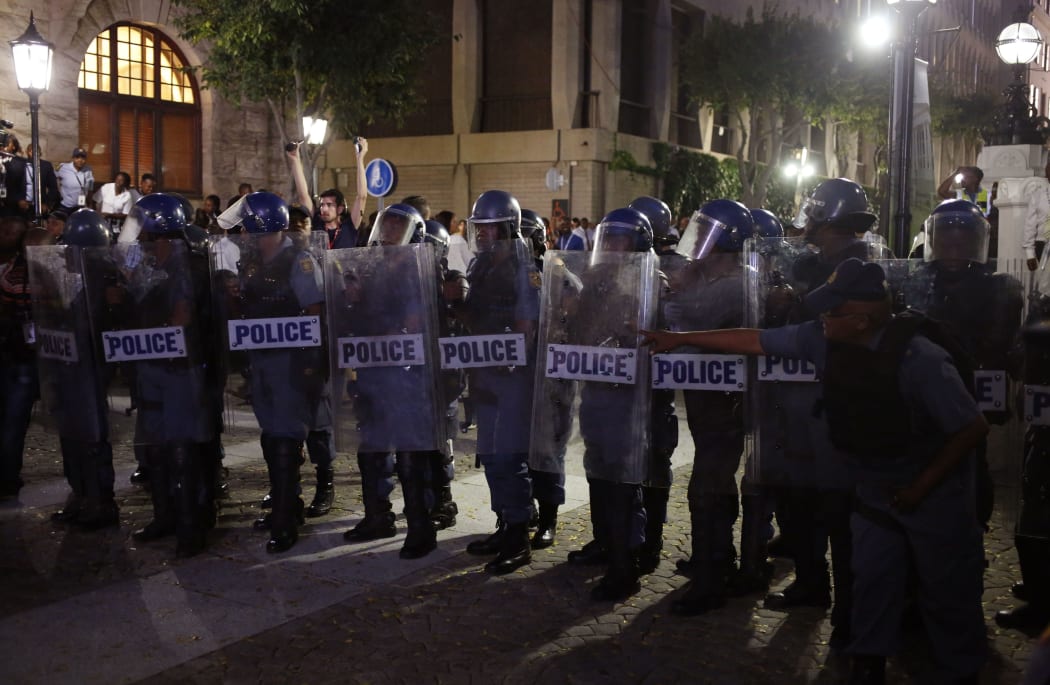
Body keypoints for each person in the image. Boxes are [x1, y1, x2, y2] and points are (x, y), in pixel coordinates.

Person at [643, 257, 989, 684]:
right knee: (873, 581)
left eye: (834, 311)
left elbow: (971, 428)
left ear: (862, 319)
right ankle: (866, 660)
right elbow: (756, 340)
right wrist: (680, 338)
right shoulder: (823, 338)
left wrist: (920, 489)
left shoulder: (921, 358)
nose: (823, 317)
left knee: (947, 591)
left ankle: (959, 670)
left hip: (936, 492)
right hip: (876, 488)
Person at [216, 192, 327, 553]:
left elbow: (315, 311)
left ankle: (284, 517)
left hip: (290, 363)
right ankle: (288, 503)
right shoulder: (251, 261)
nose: (244, 234)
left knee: (285, 437)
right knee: (271, 437)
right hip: (261, 362)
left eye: (248, 226)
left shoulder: (300, 260)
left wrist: (311, 361)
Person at [659, 199, 754, 615]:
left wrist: (668, 293)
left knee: (708, 488)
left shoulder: (736, 282)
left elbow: (690, 320)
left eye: (706, 229)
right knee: (711, 483)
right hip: (704, 401)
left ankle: (712, 575)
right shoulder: (704, 277)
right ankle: (714, 558)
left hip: (726, 404)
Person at [111, 194, 218, 557]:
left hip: (181, 369)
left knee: (183, 450)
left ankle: (192, 525)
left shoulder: (188, 266)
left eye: (143, 231)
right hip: (152, 366)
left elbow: (181, 319)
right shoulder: (151, 264)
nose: (138, 238)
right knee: (154, 448)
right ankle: (165, 516)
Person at [337, 205, 447, 559]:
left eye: (396, 226)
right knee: (371, 447)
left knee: (411, 452)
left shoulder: (419, 269)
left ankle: (420, 526)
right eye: (385, 224)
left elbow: (416, 322)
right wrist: (352, 299)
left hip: (407, 373)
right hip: (374, 372)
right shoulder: (370, 268)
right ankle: (377, 516)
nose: (387, 232)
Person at [457, 190, 540, 574]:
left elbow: (527, 326)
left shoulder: (525, 269)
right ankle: (504, 522)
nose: (484, 234)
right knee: (489, 452)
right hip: (485, 370)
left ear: (507, 227)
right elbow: (474, 317)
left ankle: (519, 534)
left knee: (509, 454)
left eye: (490, 227)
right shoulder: (481, 266)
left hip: (512, 374)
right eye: (480, 227)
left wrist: (509, 358)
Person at [29, 210, 118, 526]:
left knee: (91, 436)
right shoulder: (82, 280)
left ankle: (99, 501)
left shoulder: (107, 284)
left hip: (89, 369)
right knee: (72, 434)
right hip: (68, 365)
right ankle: (81, 495)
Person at [0, 220, 50, 497]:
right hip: (35, 356)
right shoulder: (52, 274)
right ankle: (7, 477)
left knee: (13, 418)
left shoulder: (12, 273)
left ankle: (7, 476)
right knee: (14, 418)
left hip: (22, 354)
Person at [1022, 158, 1050, 271]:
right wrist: (1030, 255)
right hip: (1042, 245)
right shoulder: (1037, 195)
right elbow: (1030, 225)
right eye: (1048, 169)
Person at [22, 144, 60, 219]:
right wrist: (19, 200)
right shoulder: (22, 165)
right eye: (30, 151)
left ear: (40, 153)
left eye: (36, 151)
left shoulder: (46, 166)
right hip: (23, 205)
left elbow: (53, 187)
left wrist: (47, 204)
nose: (33, 153)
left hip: (40, 205)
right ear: (27, 152)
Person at [55, 148, 94, 215]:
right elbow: (52, 178)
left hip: (82, 207)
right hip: (66, 207)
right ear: (73, 158)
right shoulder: (62, 167)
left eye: (83, 158)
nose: (80, 160)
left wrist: (90, 202)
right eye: (77, 157)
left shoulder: (88, 169)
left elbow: (90, 184)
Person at [93, 171, 134, 236]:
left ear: (125, 183)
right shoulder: (106, 187)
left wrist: (109, 215)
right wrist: (98, 213)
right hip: (102, 221)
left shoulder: (127, 195)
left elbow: (126, 214)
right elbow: (95, 200)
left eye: (121, 180)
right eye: (117, 179)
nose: (118, 182)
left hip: (116, 223)